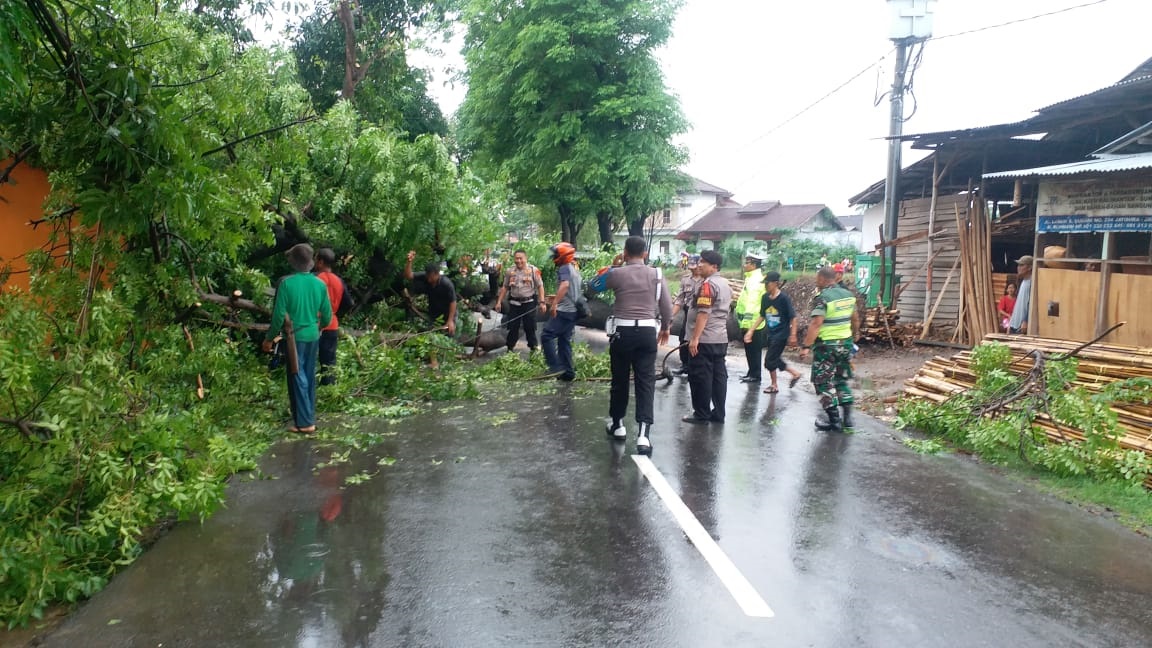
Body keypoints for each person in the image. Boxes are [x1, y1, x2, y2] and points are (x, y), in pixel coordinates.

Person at [601, 236, 673, 455]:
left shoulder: (617, 274)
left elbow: (593, 287)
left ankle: (618, 425)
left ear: (625, 252)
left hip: (621, 333)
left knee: (620, 379)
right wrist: (666, 328)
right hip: (647, 333)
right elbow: (667, 306)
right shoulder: (657, 274)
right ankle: (643, 435)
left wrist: (614, 266)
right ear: (645, 253)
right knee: (645, 381)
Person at [263, 244, 333, 434]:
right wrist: (319, 327)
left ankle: (304, 423)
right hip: (313, 335)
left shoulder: (286, 284)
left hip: (295, 337)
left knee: (297, 376)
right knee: (308, 376)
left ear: (293, 262)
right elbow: (327, 315)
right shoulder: (319, 284)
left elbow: (278, 316)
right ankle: (308, 416)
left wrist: (269, 338)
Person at [799, 266, 859, 433]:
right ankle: (847, 418)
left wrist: (806, 346)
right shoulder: (848, 295)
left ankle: (834, 421)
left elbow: (816, 323)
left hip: (827, 345)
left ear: (824, 279)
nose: (816, 282)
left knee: (823, 382)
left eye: (817, 279)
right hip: (845, 343)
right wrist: (854, 336)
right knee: (840, 379)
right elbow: (855, 319)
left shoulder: (823, 297)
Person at [681, 250, 733, 424]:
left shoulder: (707, 285)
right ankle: (718, 413)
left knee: (700, 376)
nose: (700, 264)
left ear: (714, 266)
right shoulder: (725, 283)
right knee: (719, 376)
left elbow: (703, 313)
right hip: (720, 339)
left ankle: (701, 413)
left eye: (704, 262)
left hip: (705, 339)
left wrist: (694, 339)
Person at [744, 271, 802, 394]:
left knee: (769, 360)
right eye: (764, 284)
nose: (766, 286)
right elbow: (762, 316)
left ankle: (774, 384)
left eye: (768, 284)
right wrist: (751, 330)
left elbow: (793, 317)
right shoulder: (765, 298)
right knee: (774, 359)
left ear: (776, 284)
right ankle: (794, 374)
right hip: (770, 333)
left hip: (781, 334)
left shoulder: (784, 299)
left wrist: (793, 335)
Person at [404, 250, 458, 369]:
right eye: (427, 275)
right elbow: (409, 275)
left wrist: (450, 321)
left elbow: (453, 302)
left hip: (448, 313)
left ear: (436, 274)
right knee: (431, 336)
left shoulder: (446, 284)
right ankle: (434, 362)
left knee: (448, 337)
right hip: (434, 313)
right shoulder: (425, 277)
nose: (428, 278)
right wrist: (409, 262)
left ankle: (448, 362)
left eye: (430, 276)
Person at [541, 242, 582, 381]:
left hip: (565, 311)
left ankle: (555, 367)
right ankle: (568, 373)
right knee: (564, 340)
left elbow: (565, 285)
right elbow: (571, 290)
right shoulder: (573, 268)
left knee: (546, 335)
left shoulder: (564, 268)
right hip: (573, 310)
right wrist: (556, 297)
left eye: (555, 255)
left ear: (562, 256)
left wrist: (554, 304)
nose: (553, 257)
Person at [313, 247, 355, 386]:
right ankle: (330, 389)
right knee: (329, 362)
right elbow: (349, 303)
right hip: (332, 323)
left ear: (320, 261)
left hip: (313, 324)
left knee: (309, 359)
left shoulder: (314, 279)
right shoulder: (339, 281)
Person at [494, 249, 546, 353]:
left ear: (525, 258)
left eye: (520, 258)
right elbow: (505, 287)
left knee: (530, 327)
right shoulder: (510, 271)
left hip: (529, 303)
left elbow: (540, 286)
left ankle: (533, 348)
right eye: (516, 258)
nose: (518, 261)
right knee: (513, 327)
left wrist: (542, 302)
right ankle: (509, 348)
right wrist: (499, 302)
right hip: (514, 304)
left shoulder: (533, 270)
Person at [735, 253, 767, 384]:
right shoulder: (751, 278)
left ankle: (755, 375)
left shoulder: (755, 280)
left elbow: (752, 303)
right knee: (750, 350)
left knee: (753, 350)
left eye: (747, 263)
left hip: (753, 323)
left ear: (753, 265)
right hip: (749, 322)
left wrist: (747, 325)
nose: (744, 265)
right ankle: (751, 372)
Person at [671, 254, 702, 375]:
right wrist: (671, 316)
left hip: (702, 313)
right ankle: (685, 365)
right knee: (683, 338)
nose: (692, 269)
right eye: (690, 266)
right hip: (688, 312)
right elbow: (679, 299)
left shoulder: (706, 280)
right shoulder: (685, 279)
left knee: (699, 339)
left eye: (694, 266)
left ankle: (697, 365)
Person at [1007, 255, 1033, 334]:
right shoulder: (1023, 281)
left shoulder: (1032, 282)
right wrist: (1010, 323)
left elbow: (1032, 304)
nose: (1018, 267)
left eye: (1022, 265)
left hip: (1021, 326)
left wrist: (1026, 320)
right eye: (1018, 265)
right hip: (1015, 324)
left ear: (1029, 268)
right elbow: (1018, 305)